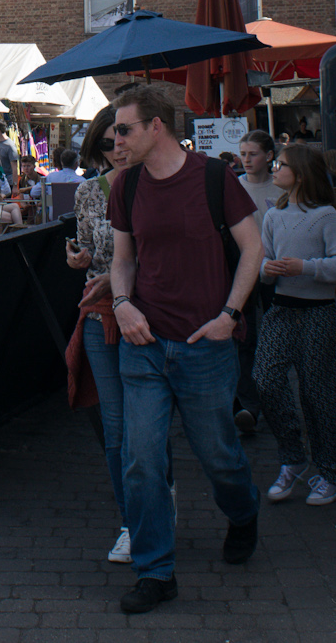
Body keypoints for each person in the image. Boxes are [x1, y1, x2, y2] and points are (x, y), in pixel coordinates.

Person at [105, 82, 263, 615]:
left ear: (157, 127)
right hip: (144, 342)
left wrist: (229, 316)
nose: (116, 138)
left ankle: (243, 514)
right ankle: (156, 571)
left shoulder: (215, 178)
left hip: (205, 346)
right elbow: (122, 259)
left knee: (219, 456)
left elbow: (253, 249)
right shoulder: (124, 188)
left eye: (124, 128)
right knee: (142, 459)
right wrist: (123, 302)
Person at [62, 105, 157, 567]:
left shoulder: (158, 186)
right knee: (117, 426)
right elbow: (86, 249)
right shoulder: (88, 193)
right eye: (105, 142)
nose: (116, 149)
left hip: (151, 315)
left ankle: (160, 497)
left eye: (122, 137)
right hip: (102, 315)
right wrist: (78, 261)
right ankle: (130, 521)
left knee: (151, 424)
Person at [253, 142, 336, 509]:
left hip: (318, 314)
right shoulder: (273, 216)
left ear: (300, 172)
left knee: (318, 395)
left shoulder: (325, 216)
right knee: (265, 379)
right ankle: (293, 455)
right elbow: (262, 266)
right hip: (280, 311)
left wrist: (306, 267)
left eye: (280, 164)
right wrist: (271, 269)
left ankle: (330, 472)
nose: (275, 168)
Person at [230, 130, 279, 432]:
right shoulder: (235, 188)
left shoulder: (282, 187)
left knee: (275, 336)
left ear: (269, 156)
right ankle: (249, 405)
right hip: (244, 270)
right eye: (243, 153)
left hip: (276, 271)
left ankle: (275, 399)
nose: (246, 159)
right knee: (245, 338)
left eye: (253, 154)